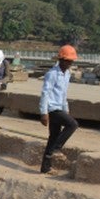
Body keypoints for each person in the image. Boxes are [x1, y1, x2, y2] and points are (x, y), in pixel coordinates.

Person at [39, 45, 80, 173]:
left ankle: (45, 167)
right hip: (52, 108)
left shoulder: (66, 74)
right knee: (73, 124)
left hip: (59, 107)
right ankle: (56, 149)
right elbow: (45, 93)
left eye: (71, 61)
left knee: (53, 136)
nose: (70, 64)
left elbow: (63, 94)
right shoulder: (52, 74)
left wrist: (65, 108)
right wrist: (43, 113)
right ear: (61, 60)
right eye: (68, 61)